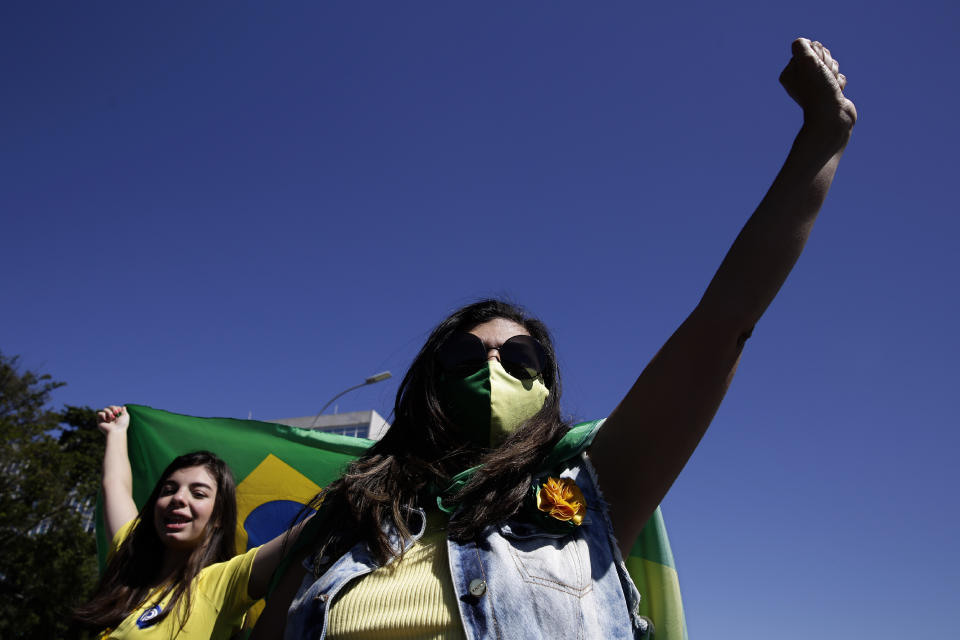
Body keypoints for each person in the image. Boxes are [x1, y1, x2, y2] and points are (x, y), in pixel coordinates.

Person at [252, 37, 857, 639]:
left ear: (547, 385)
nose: (492, 368)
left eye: (519, 357)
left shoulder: (597, 481)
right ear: (428, 386)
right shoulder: (355, 513)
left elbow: (724, 322)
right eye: (465, 355)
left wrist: (820, 141)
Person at [74, 406, 305, 639]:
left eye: (198, 493)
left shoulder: (223, 584)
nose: (178, 498)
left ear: (218, 517)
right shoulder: (130, 560)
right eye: (169, 489)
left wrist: (339, 494)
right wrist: (116, 432)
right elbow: (115, 486)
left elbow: (303, 536)